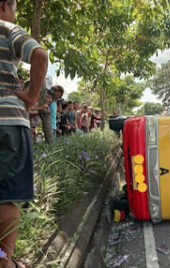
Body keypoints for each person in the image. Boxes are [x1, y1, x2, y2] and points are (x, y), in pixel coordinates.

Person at [0, 1, 48, 268]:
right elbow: (39, 55)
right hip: (7, 122)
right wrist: (31, 96)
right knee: (6, 197)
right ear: (6, 5)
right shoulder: (7, 28)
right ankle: (4, 262)